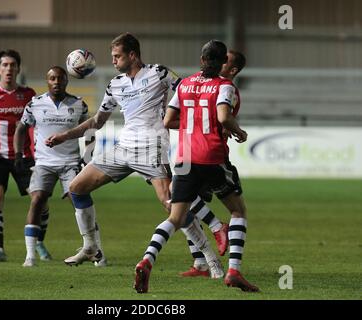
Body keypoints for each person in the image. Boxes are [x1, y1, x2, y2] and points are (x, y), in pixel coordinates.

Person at [45, 33, 224, 273]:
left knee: (171, 204)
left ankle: (210, 259)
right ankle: (90, 247)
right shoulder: (115, 85)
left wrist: (207, 119)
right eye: (112, 56)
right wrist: (65, 135)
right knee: (76, 187)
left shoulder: (158, 73)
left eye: (117, 56)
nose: (113, 61)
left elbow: (189, 91)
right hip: (124, 147)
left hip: (152, 146)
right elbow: (98, 121)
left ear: (132, 55)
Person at [134, 40, 259, 293]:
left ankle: (147, 259)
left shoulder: (185, 84)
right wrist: (240, 131)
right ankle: (233, 271)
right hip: (212, 157)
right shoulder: (225, 86)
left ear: (202, 59)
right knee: (238, 211)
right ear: (223, 62)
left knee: (175, 217)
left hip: (185, 158)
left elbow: (168, 120)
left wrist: (194, 123)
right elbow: (224, 117)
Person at [14, 66, 106, 267]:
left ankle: (97, 252)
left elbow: (90, 130)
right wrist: (19, 153)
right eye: (52, 78)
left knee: (80, 203)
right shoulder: (35, 104)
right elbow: (21, 127)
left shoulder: (78, 104)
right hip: (44, 163)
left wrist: (88, 155)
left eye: (60, 79)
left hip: (70, 163)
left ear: (67, 81)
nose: (56, 82)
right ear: (47, 81)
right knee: (37, 200)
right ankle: (30, 256)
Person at [0, 49, 50, 262]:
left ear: (18, 69)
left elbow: (41, 123)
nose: (8, 69)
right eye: (4, 65)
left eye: (12, 65)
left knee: (40, 199)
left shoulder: (29, 95)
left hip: (23, 157)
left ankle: (39, 242)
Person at [177, 50, 247, 277]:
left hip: (211, 157)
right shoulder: (207, 86)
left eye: (223, 60)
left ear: (232, 69)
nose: (216, 61)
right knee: (185, 206)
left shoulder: (227, 89)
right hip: (197, 153)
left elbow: (224, 120)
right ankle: (201, 263)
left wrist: (233, 129)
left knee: (184, 205)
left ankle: (218, 230)